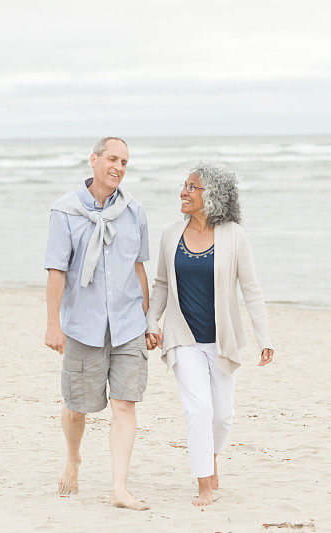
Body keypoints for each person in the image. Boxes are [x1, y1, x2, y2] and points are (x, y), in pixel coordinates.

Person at [145, 161, 274, 506]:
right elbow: (160, 284)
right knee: (198, 409)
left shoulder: (234, 236)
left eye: (192, 187)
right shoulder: (171, 233)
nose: (184, 192)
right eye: (184, 185)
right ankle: (204, 484)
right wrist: (151, 321)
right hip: (182, 337)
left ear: (213, 195)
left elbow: (252, 289)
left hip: (221, 341)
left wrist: (265, 339)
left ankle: (211, 456)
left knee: (222, 416)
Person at [43, 137, 151, 510]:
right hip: (83, 326)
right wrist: (52, 324)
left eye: (124, 161)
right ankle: (73, 457)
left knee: (125, 405)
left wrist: (148, 320)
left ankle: (119, 488)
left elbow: (139, 269)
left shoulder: (134, 211)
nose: (118, 167)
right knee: (77, 407)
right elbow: (57, 270)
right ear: (93, 160)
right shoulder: (65, 211)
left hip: (128, 326)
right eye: (111, 159)